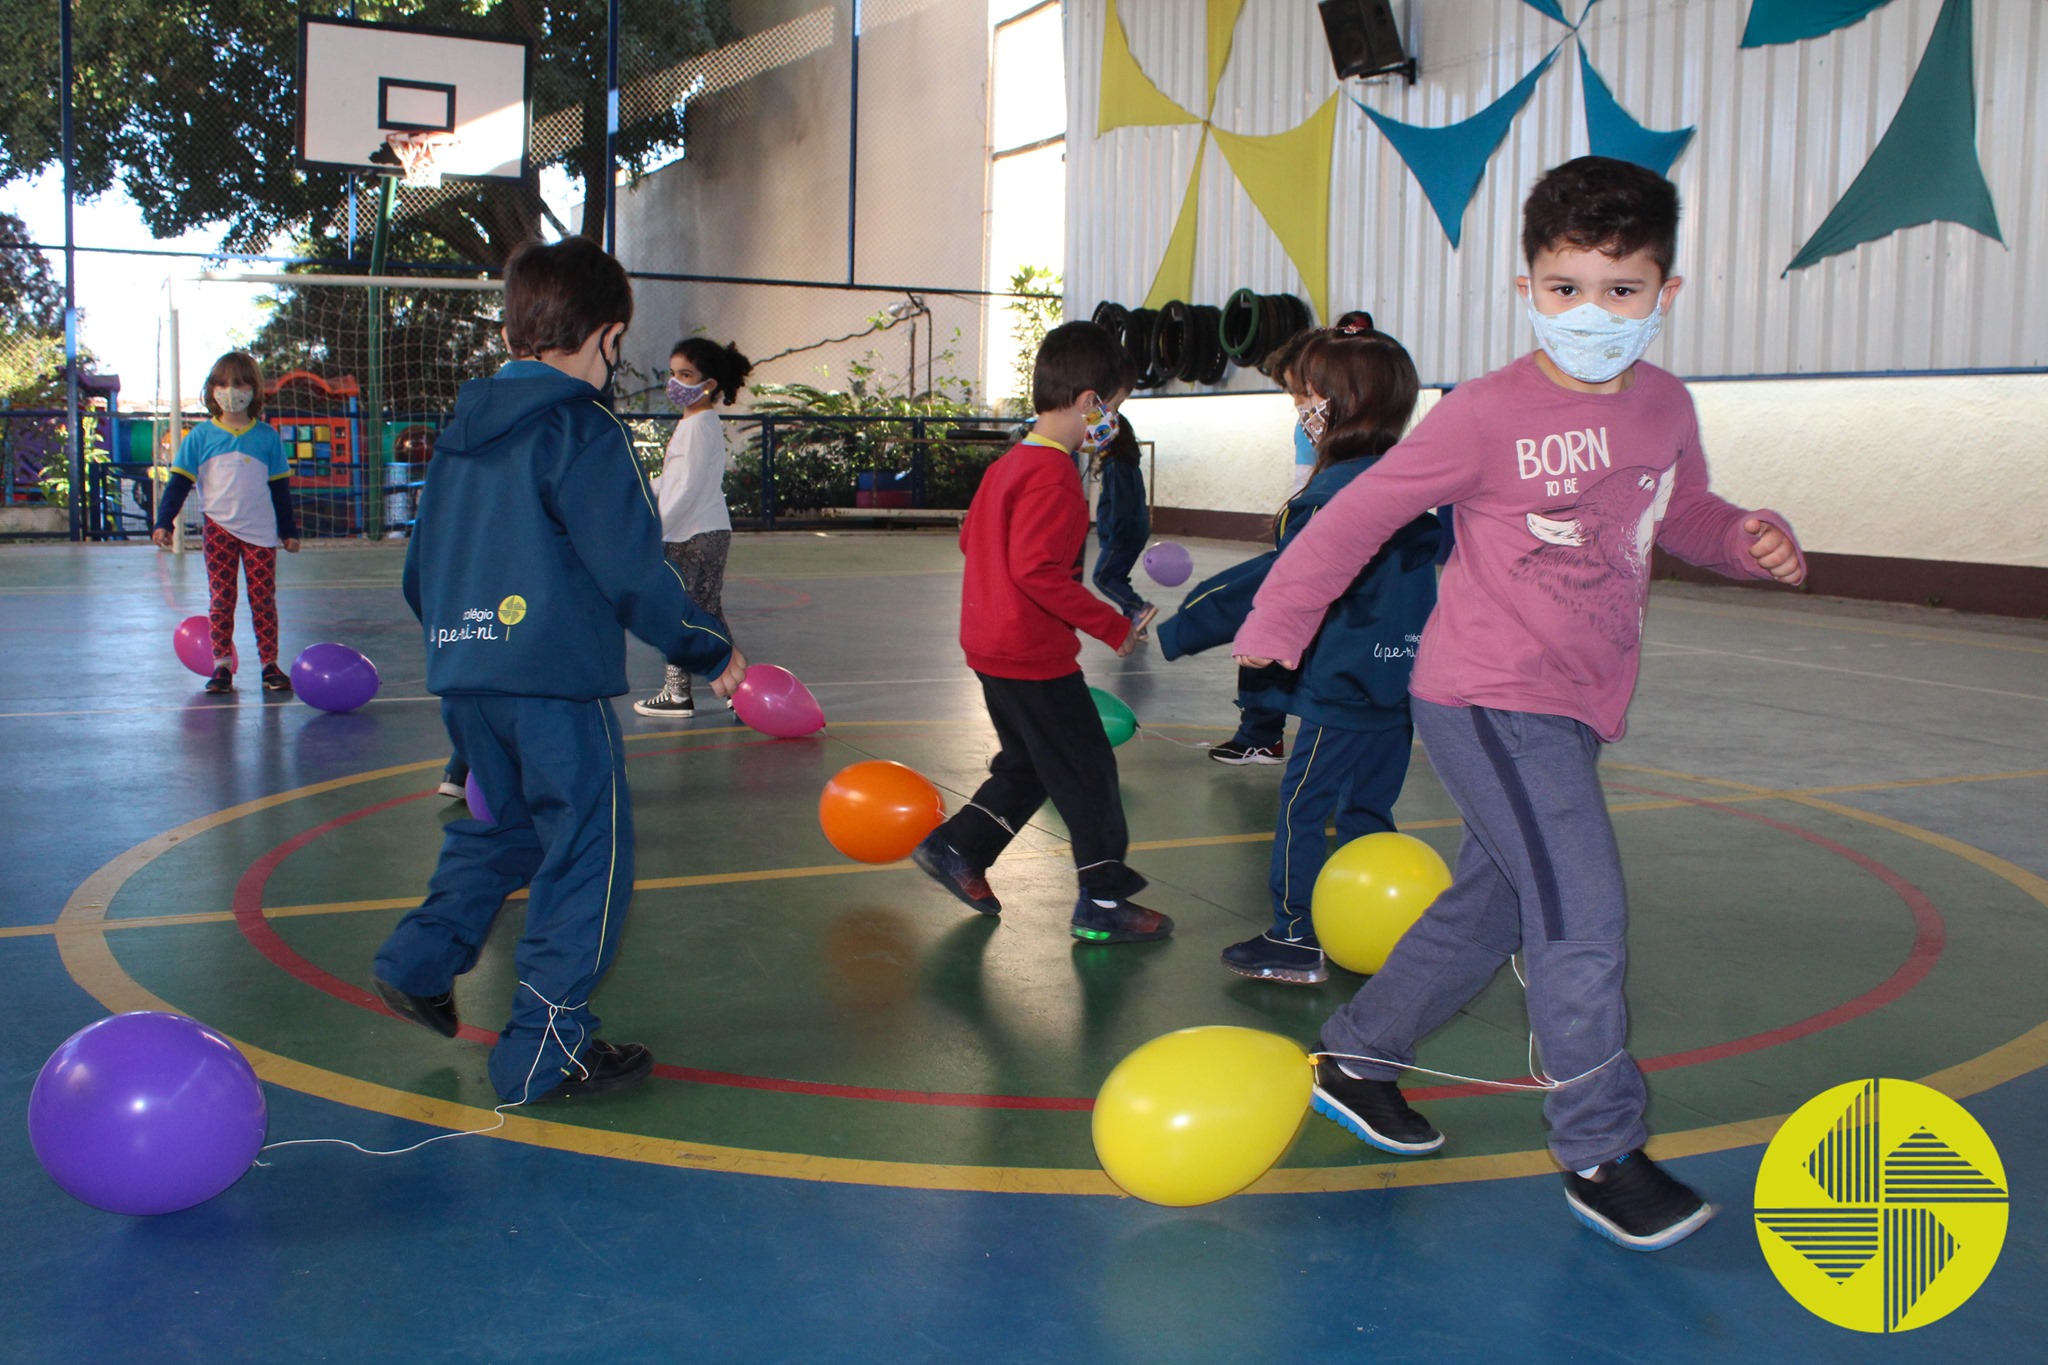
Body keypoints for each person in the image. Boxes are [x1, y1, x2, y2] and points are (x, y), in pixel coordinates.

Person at [1233, 156, 1807, 1252]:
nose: (1591, 313)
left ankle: (1358, 1059)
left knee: (1492, 903)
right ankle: (1598, 1146)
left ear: (1663, 294)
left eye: (1620, 289)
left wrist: (1743, 539)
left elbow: (1678, 513)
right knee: (1579, 914)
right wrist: (1274, 627)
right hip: (1487, 697)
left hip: (1580, 700)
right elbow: (1354, 518)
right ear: (1526, 289)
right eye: (1563, 288)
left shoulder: (1664, 404)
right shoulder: (1483, 415)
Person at [371, 236, 748, 1105]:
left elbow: (418, 574)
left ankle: (418, 959)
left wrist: (464, 645)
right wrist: (709, 645)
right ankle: (545, 1045)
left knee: (502, 828)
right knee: (585, 851)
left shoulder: (462, 433)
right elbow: (633, 570)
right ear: (608, 337)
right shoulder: (584, 430)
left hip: (466, 681)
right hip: (551, 687)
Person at [1159, 326, 1443, 986]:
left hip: (1340, 685)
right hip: (1399, 682)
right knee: (1369, 808)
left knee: (1303, 806)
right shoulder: (1409, 486)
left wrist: (1185, 627)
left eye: (1305, 397)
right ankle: (1375, 923)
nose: (1300, 411)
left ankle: (1295, 934)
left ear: (1337, 405)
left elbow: (1277, 582)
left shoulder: (1327, 498)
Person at [910, 320, 1170, 943]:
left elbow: (971, 539)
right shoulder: (1055, 477)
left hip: (989, 648)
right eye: (1115, 409)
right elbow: (1036, 571)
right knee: (1087, 774)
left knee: (1029, 763)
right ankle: (1104, 901)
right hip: (1033, 654)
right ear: (1089, 403)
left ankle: (959, 848)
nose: (1113, 423)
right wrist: (1113, 625)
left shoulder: (1009, 464)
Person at [150, 351, 299, 694]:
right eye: (225, 384)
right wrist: (164, 522)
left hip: (261, 533)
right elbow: (178, 484)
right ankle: (221, 667)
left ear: (254, 389)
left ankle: (269, 665)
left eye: (241, 383)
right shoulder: (199, 438)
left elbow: (280, 489)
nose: (233, 390)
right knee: (222, 598)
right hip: (218, 530)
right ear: (213, 390)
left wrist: (288, 531)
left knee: (263, 599)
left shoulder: (266, 437)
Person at [1208, 323, 1322, 765]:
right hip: (1303, 537)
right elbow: (1304, 483)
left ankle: (1281, 737)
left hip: (1323, 548)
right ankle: (1261, 733)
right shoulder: (1307, 426)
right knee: (1263, 630)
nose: (1299, 405)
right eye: (1294, 395)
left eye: (1304, 392)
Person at [635, 337, 754, 718]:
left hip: (692, 534)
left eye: (686, 375)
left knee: (681, 611)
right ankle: (738, 689)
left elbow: (685, 489)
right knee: (704, 610)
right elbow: (676, 480)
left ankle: (679, 692)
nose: (676, 382)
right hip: (704, 529)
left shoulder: (698, 424)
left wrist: (657, 528)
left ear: (709, 385)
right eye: (673, 374)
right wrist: (646, 493)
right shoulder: (697, 422)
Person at [1088, 411, 1157, 641]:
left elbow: (1121, 503)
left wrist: (1113, 534)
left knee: (1102, 576)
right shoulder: (1127, 464)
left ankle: (1138, 608)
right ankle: (1136, 624)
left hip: (1122, 533)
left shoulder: (1116, 466)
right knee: (1117, 576)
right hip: (1135, 531)